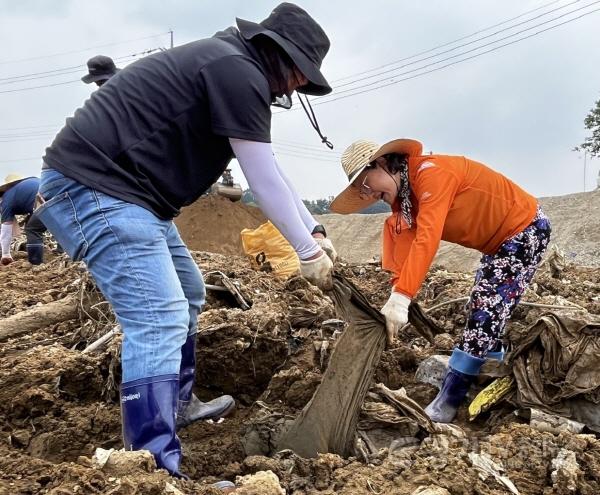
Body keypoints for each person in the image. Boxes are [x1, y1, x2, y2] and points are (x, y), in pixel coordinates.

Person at [36, 2, 335, 486]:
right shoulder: (237, 71)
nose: (299, 86)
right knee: (158, 318)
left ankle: (178, 401)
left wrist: (315, 233)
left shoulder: (229, 65)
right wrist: (304, 252)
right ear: (279, 55)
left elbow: (272, 171)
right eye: (301, 74)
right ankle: (152, 468)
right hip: (98, 190)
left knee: (188, 293)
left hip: (136, 198)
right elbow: (260, 175)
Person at [330, 138, 551, 423]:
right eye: (362, 190)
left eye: (366, 183)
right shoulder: (406, 205)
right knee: (484, 306)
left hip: (525, 227)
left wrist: (404, 296)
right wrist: (395, 295)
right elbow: (404, 251)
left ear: (384, 163)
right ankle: (491, 370)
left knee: (487, 307)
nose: (369, 193)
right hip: (499, 244)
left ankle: (452, 394)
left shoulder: (431, 173)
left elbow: (428, 237)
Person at [0, 173, 47, 266]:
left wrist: (5, 254)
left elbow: (6, 231)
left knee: (32, 229)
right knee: (58, 225)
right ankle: (60, 251)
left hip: (44, 201)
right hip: (58, 195)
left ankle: (35, 262)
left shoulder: (6, 201)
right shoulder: (23, 187)